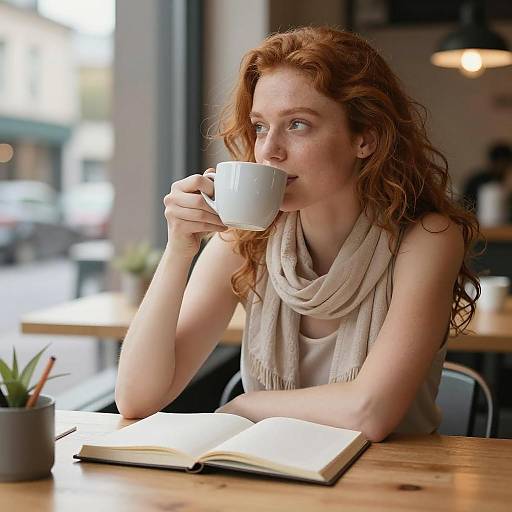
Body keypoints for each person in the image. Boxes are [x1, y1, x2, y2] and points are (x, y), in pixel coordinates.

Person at [115, 27, 479, 441]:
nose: (269, 150)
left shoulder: (427, 239)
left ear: (365, 138)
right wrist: (179, 249)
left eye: (298, 125)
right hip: (272, 483)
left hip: (387, 489)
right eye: (259, 127)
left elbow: (370, 412)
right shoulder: (245, 241)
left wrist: (244, 407)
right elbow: (136, 398)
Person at [463, 142, 512, 215]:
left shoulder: (507, 180)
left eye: (504, 163)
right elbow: (465, 204)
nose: (501, 167)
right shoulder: (477, 181)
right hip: (479, 220)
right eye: (499, 163)